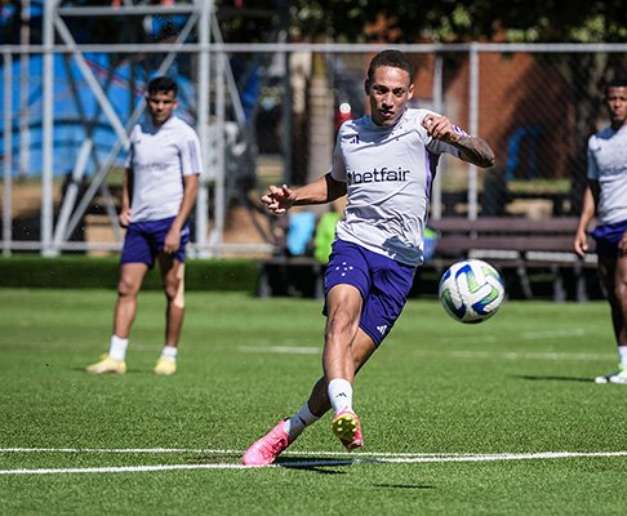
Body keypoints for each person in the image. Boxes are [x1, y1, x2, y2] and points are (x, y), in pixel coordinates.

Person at [242, 50, 495, 466]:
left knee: (346, 364)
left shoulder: (425, 127)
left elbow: (486, 156)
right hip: (355, 242)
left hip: (400, 264)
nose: (388, 100)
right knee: (340, 317)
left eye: (397, 92)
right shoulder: (350, 134)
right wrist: (294, 197)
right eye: (380, 90)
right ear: (367, 89)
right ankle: (345, 412)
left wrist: (456, 137)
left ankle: (286, 431)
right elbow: (337, 183)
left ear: (409, 93)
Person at [86, 76, 201, 376]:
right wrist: (126, 206)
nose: (160, 106)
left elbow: (192, 185)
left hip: (169, 221)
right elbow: (129, 172)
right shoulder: (138, 131)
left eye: (166, 102)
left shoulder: (185, 135)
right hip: (140, 223)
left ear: (174, 103)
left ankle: (169, 355)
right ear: (147, 100)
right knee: (126, 286)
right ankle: (116, 357)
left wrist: (177, 227)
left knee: (172, 288)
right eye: (155, 101)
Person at [573, 78, 627, 385]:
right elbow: (592, 188)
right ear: (606, 102)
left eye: (623, 99)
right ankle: (624, 365)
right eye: (612, 99)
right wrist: (582, 228)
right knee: (612, 295)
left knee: (625, 291)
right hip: (606, 225)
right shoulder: (597, 141)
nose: (617, 104)